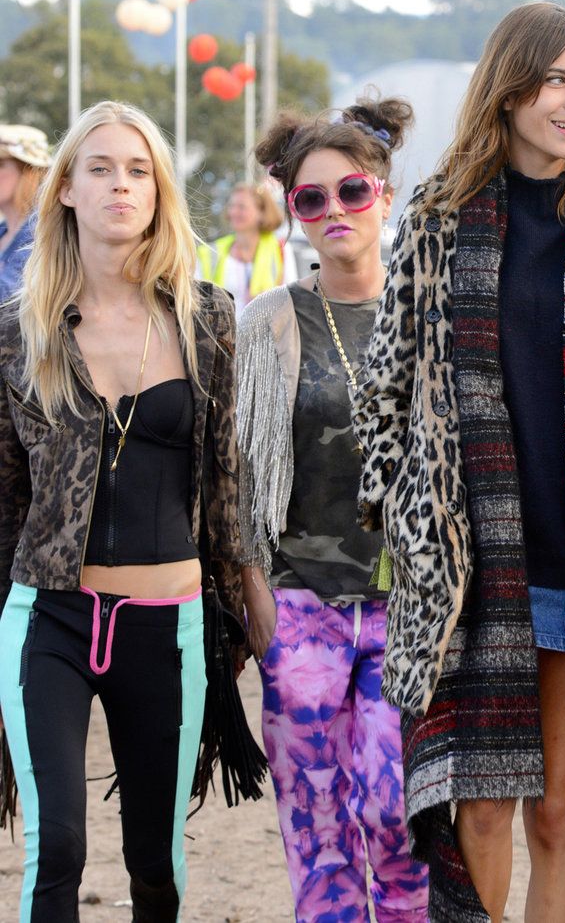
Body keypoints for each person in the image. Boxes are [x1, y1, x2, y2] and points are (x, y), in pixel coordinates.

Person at [353, 3, 565, 923]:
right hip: (477, 569)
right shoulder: (435, 222)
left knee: (555, 817)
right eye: (554, 80)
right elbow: (385, 389)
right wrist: (403, 517)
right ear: (507, 93)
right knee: (483, 813)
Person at [0, 100, 252, 922]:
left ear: (158, 193)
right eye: (100, 168)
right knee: (56, 852)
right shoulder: (16, 334)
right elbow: (5, 495)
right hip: (49, 618)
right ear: (65, 188)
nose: (120, 185)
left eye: (138, 170)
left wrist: (252, 590)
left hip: (166, 621)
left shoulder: (206, 318)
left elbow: (227, 475)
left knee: (156, 860)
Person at [237, 97, 430, 922]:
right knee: (314, 823)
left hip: (412, 610)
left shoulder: (434, 313)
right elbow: (240, 476)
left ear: (383, 192)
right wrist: (253, 597)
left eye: (350, 191)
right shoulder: (269, 321)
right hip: (300, 603)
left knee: (398, 813)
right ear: (294, 213)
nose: (334, 212)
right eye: (310, 199)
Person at [197, 181, 297, 317]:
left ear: (262, 213)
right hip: (219, 336)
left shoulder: (281, 250)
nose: (233, 212)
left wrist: (266, 305)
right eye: (231, 206)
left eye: (241, 207)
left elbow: (292, 303)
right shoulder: (208, 252)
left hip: (265, 335)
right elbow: (196, 303)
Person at [0, 124, 52, 300]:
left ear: (29, 171)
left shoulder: (41, 232)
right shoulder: (4, 230)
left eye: (0, 164)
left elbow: (6, 298)